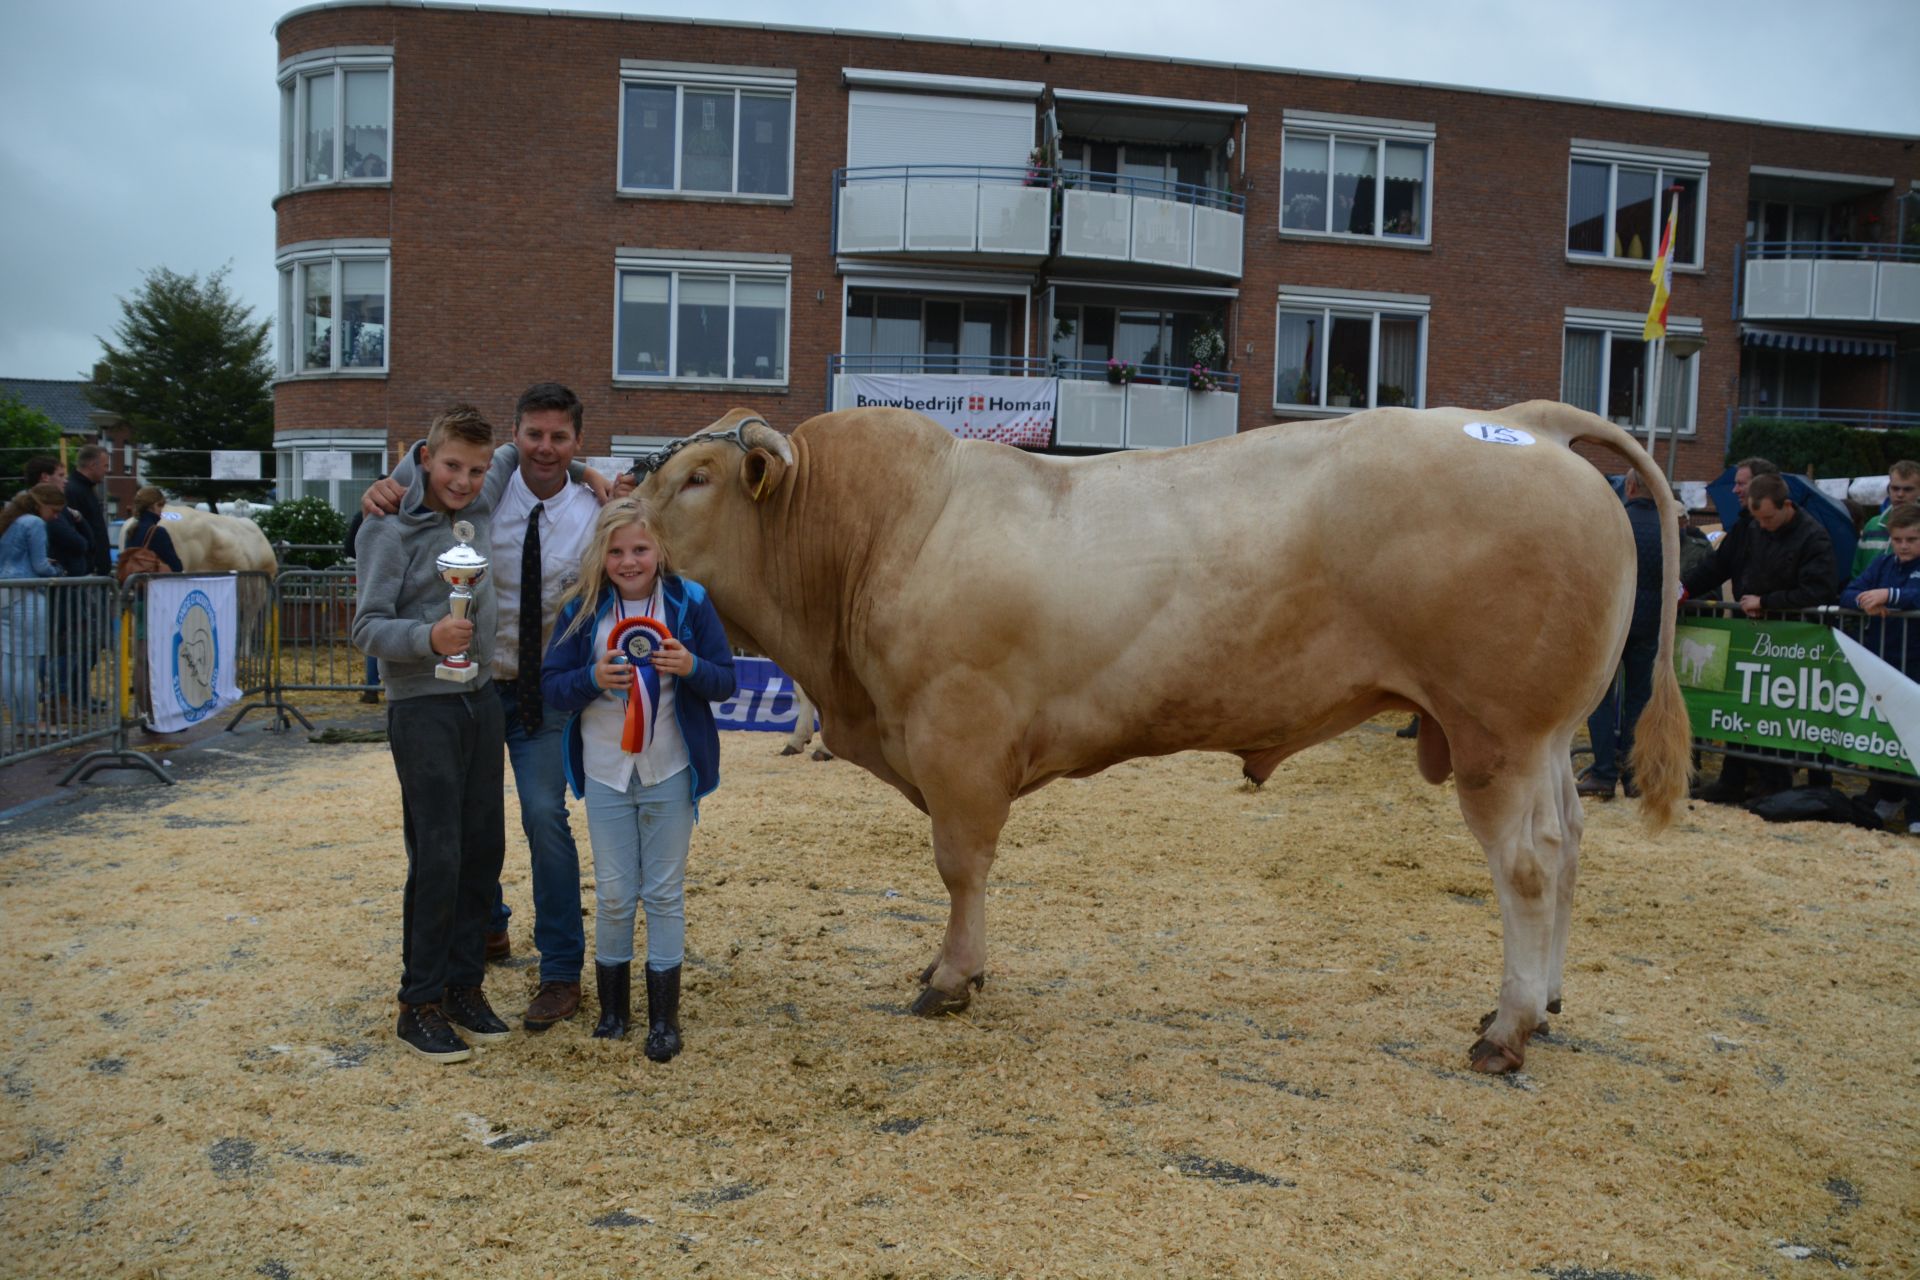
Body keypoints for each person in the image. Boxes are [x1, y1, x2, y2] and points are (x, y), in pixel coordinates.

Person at [364, 383, 622, 1032]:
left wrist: (595, 477)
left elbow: (637, 553)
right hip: (452, 693)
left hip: (532, 694)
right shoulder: (462, 496)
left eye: (560, 437)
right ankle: (452, 963)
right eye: (533, 434)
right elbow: (436, 461)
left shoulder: (587, 507)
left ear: (576, 443)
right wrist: (388, 484)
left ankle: (551, 973)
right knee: (451, 841)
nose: (545, 447)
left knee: (532, 823)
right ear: (516, 435)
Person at [350, 405, 520, 1065]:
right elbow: (365, 628)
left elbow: (521, 457)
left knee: (484, 851)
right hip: (423, 706)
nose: (466, 480)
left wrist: (593, 477)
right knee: (439, 855)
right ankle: (416, 1002)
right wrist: (427, 638)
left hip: (481, 699)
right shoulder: (385, 528)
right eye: (453, 466)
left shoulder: (475, 499)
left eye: (476, 469)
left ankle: (463, 987)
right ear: (424, 457)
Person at [540, 498, 736, 1062]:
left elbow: (724, 681)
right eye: (617, 551)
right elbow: (553, 685)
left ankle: (664, 1019)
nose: (629, 561)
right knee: (616, 893)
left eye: (640, 549)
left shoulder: (690, 601)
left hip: (670, 767)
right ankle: (613, 1012)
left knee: (665, 894)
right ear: (601, 555)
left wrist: (691, 667)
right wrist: (590, 677)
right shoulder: (581, 607)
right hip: (605, 771)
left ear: (660, 551)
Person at [1688, 472, 1841, 804]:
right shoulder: (1751, 527)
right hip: (1750, 633)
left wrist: (1769, 603)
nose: (1764, 525)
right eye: (1759, 519)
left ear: (1787, 506)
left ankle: (1775, 781)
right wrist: (1682, 589)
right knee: (1742, 705)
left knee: (1778, 711)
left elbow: (1819, 589)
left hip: (1792, 638)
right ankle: (1734, 778)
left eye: (1769, 518)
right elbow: (1719, 566)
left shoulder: (1813, 537)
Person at [1579, 470, 1668, 801]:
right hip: (1649, 625)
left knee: (1600, 699)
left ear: (1630, 487)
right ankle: (1633, 777)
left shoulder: (1614, 521)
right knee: (1638, 700)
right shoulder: (1666, 526)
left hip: (1613, 622)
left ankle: (1603, 773)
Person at [1840, 501, 1920, 831]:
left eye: (1912, 540)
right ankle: (1886, 795)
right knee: (1887, 733)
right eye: (1898, 539)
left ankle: (1916, 809)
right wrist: (1866, 600)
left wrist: (1889, 595)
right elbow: (1849, 591)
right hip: (1885, 662)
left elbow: (1915, 594)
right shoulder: (1883, 563)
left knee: (1916, 737)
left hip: (1915, 663)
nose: (1903, 546)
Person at [0, 484, 68, 742]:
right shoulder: (34, 523)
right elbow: (40, 566)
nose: (56, 516)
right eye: (54, 510)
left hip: (6, 593)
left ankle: (19, 719)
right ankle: (31, 721)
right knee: (27, 663)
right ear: (42, 506)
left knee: (9, 662)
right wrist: (57, 571)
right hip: (27, 595)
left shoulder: (10, 519)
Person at [1851, 460, 1920, 577]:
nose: (1900, 494)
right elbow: (1856, 570)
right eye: (1895, 488)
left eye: (1907, 489)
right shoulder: (1873, 524)